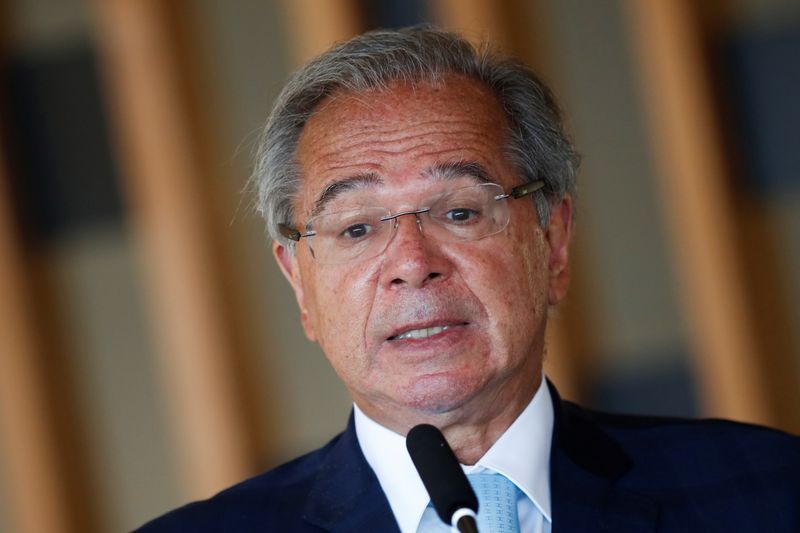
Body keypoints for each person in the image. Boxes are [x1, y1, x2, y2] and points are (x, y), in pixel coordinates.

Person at [136, 26, 800, 533]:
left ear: (553, 241)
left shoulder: (769, 491)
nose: (412, 261)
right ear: (301, 286)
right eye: (358, 227)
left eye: (459, 211)